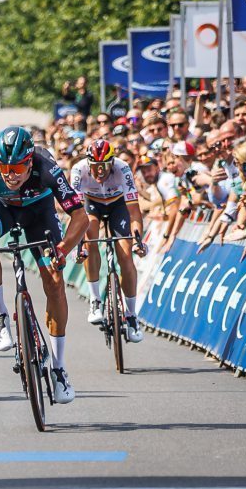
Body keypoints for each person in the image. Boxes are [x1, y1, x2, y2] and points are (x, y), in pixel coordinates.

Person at [0, 126, 88, 404]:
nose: (11, 175)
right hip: (0, 207)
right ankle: (0, 313)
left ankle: (59, 368)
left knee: (55, 281)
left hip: (39, 211)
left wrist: (62, 250)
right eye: (5, 168)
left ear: (29, 161)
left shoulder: (47, 165)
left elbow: (80, 217)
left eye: (18, 168)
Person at [70, 140, 147, 342]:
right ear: (88, 163)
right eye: (95, 166)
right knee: (90, 236)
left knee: (125, 255)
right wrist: (79, 244)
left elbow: (134, 212)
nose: (100, 171)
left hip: (118, 205)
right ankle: (95, 299)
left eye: (104, 166)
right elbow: (76, 214)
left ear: (112, 162)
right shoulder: (78, 170)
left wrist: (138, 239)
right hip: (91, 205)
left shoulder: (123, 168)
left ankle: (131, 315)